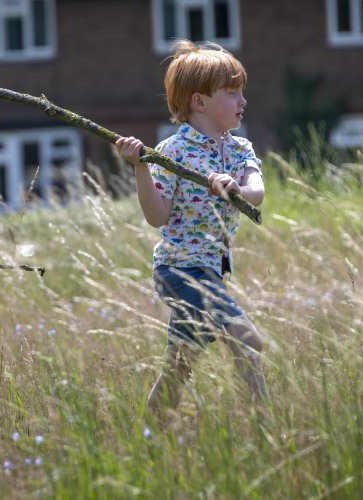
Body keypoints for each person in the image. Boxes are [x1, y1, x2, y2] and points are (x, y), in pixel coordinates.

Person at [114, 39, 267, 421]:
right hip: (179, 270)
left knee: (179, 368)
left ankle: (148, 435)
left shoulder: (240, 149)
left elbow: (258, 193)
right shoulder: (173, 152)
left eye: (241, 92)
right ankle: (267, 429)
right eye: (232, 93)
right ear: (199, 102)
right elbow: (157, 216)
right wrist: (140, 167)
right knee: (247, 339)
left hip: (212, 270)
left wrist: (237, 189)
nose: (242, 101)